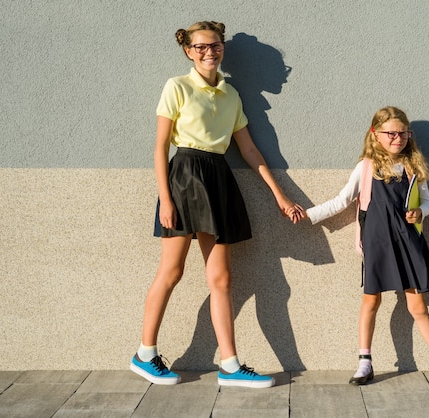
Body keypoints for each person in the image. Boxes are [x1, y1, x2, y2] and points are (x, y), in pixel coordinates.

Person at [130, 20, 304, 388]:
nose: (211, 51)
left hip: (219, 178)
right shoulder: (176, 86)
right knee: (172, 270)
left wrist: (280, 196)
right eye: (202, 47)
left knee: (222, 278)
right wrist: (165, 197)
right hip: (185, 175)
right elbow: (161, 146)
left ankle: (230, 365)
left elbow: (250, 149)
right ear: (189, 51)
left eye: (216, 45)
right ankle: (145, 353)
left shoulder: (232, 95)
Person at [297, 106, 429, 385]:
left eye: (403, 133)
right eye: (391, 133)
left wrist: (421, 212)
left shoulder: (412, 168)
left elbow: (427, 201)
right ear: (375, 135)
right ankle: (365, 362)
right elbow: (342, 200)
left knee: (418, 306)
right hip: (376, 243)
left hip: (409, 243)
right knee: (371, 301)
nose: (398, 138)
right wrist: (310, 215)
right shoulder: (366, 168)